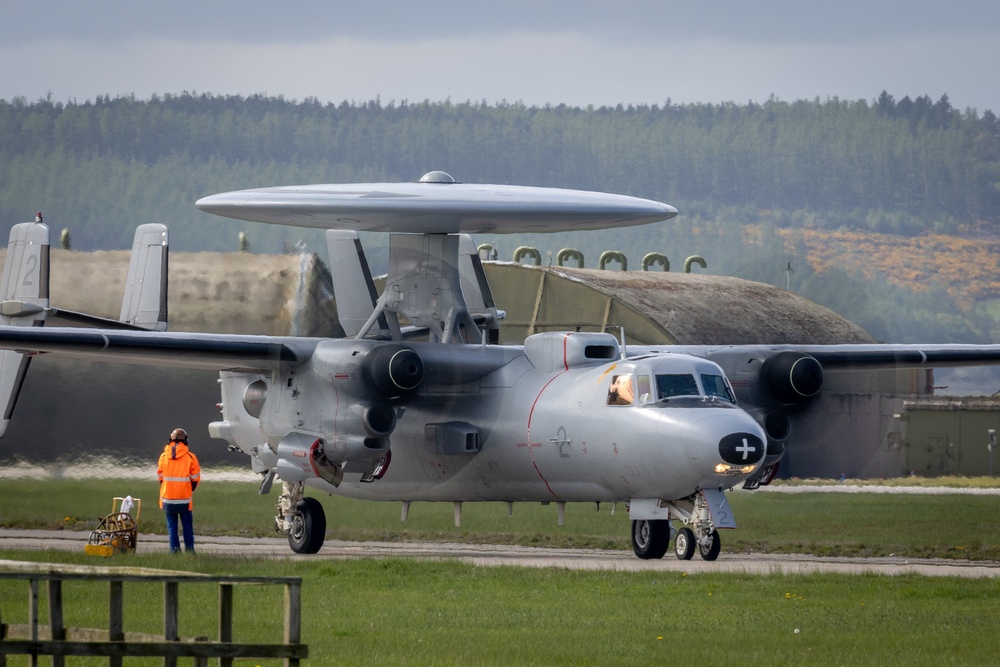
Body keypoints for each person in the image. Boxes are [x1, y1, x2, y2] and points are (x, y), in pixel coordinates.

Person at [157, 428, 201, 553]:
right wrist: (187, 489)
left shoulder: (163, 456)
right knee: (187, 528)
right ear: (185, 440)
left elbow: (160, 477)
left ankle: (175, 551)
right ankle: (190, 551)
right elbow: (195, 478)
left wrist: (169, 488)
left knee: (172, 529)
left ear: (170, 439)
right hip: (184, 500)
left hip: (168, 499)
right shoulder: (190, 457)